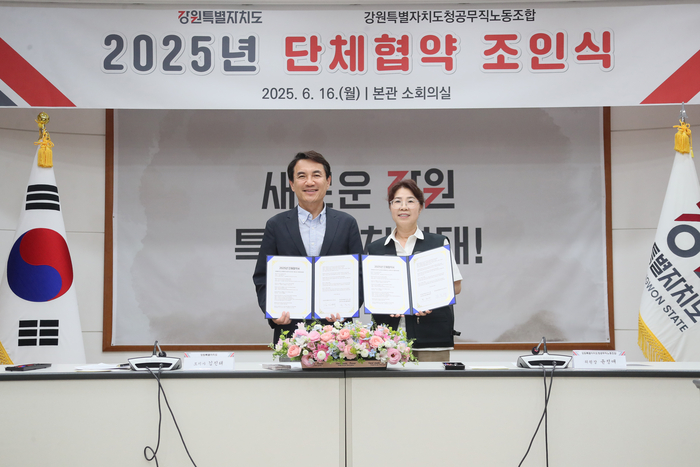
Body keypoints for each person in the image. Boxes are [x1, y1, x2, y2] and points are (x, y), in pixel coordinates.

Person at [253, 151, 363, 344]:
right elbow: (262, 276)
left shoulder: (347, 223)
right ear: (292, 184)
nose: (309, 182)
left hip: (337, 334)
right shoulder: (276, 225)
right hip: (290, 334)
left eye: (316, 175)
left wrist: (347, 309)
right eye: (302, 176)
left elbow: (360, 274)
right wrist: (272, 312)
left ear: (328, 181)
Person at [366, 179, 462, 362]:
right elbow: (371, 291)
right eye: (397, 201)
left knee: (432, 381)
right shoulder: (375, 249)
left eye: (410, 201)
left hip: (432, 339)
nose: (404, 207)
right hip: (388, 341)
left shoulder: (438, 243)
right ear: (390, 207)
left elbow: (456, 286)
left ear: (420, 207)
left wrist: (430, 300)